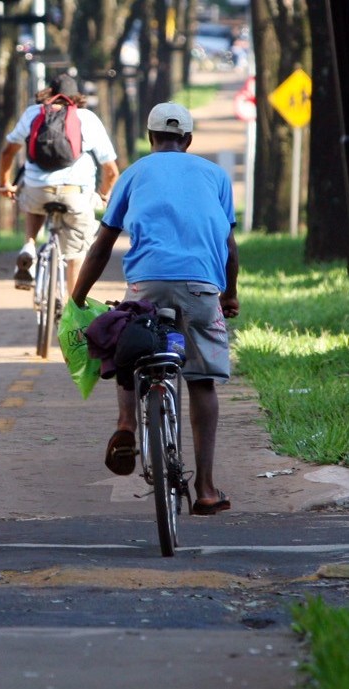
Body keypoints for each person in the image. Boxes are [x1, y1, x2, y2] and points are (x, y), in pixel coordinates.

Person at [70, 102, 240, 515]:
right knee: (201, 383)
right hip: (201, 287)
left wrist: (77, 298)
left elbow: (102, 244)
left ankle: (126, 423)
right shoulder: (216, 176)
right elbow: (229, 247)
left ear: (150, 139)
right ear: (188, 140)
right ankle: (205, 487)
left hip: (146, 286)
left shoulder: (134, 174)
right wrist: (229, 294)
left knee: (128, 347)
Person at [0, 74, 119, 294]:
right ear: (77, 98)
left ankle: (30, 246)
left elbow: (7, 153)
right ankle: (72, 314)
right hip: (76, 193)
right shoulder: (87, 119)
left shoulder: (34, 114)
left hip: (36, 190)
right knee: (76, 254)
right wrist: (103, 194)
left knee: (34, 199)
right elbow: (111, 171)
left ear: (50, 94)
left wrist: (4, 184)